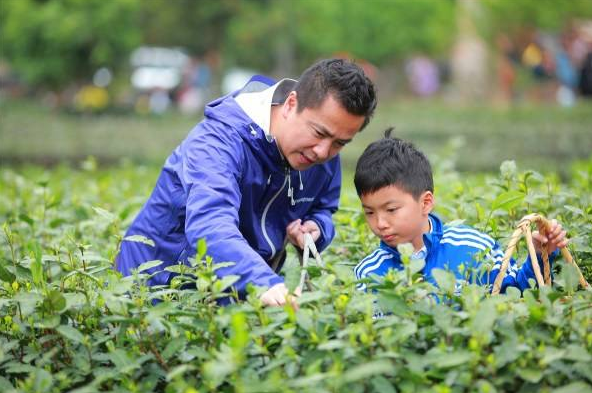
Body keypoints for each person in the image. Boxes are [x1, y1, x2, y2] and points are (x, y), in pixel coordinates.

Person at [117, 58, 377, 306]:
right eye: (319, 133)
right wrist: (263, 282)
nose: (323, 152)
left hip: (236, 297)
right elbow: (210, 224)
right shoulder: (217, 142)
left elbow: (323, 206)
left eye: (340, 143)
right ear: (290, 104)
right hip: (155, 294)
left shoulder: (321, 150)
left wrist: (317, 228)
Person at [353, 129, 568, 294]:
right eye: (370, 212)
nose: (380, 223)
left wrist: (541, 255)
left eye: (391, 209)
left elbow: (516, 291)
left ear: (426, 203)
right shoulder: (368, 273)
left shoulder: (472, 247)